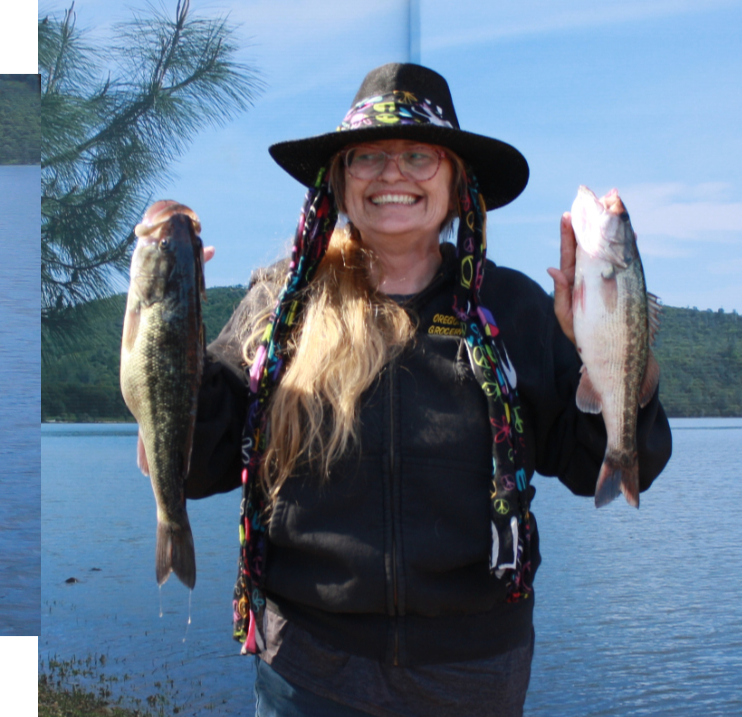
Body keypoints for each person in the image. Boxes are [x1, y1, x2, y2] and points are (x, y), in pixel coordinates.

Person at [162, 64, 672, 715]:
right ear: (339, 182)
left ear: (460, 183)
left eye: (419, 156)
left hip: (474, 671)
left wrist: (606, 346)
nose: (392, 173)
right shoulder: (280, 302)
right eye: (367, 156)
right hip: (306, 668)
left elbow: (601, 464)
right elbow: (199, 463)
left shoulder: (511, 305)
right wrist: (169, 341)